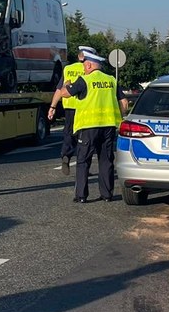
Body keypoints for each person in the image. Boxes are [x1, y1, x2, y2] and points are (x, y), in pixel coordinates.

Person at [48, 51, 128, 203]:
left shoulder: (84, 80)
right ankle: (107, 195)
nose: (83, 68)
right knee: (106, 160)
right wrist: (120, 117)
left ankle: (81, 196)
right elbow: (124, 103)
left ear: (89, 65)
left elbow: (65, 93)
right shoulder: (111, 79)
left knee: (83, 161)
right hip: (109, 126)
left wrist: (67, 84)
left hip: (88, 127)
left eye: (85, 66)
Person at [48, 45, 97, 175]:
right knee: (84, 137)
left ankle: (66, 155)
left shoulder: (68, 69)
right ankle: (84, 166)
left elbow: (59, 89)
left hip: (69, 107)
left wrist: (52, 106)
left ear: (78, 56)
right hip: (85, 107)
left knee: (69, 134)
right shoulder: (90, 69)